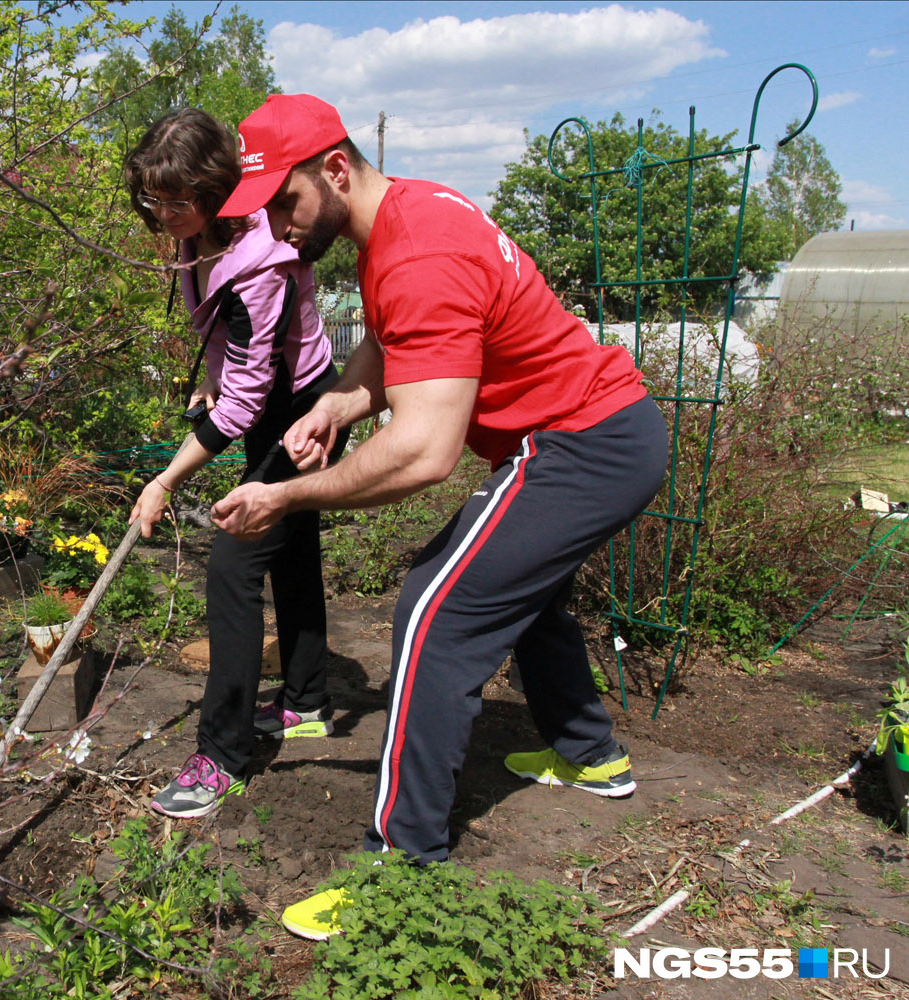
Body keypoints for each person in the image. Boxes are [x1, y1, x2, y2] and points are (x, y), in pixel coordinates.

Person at [208, 94, 669, 937]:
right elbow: (397, 343)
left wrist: (283, 496)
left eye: (285, 200)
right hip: (598, 433)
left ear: (336, 169)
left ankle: (401, 866)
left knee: (437, 607)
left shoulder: (417, 251)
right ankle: (591, 756)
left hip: (583, 443)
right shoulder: (406, 217)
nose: (276, 225)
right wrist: (340, 405)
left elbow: (425, 452)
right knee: (518, 588)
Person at [123, 108, 347, 818]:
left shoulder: (262, 261)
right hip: (269, 395)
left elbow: (248, 405)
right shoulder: (201, 237)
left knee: (234, 562)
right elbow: (238, 356)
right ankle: (306, 700)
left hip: (300, 408)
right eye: (151, 199)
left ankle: (220, 756)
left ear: (217, 190)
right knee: (291, 547)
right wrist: (216, 373)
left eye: (175, 200)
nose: (161, 215)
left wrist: (164, 480)